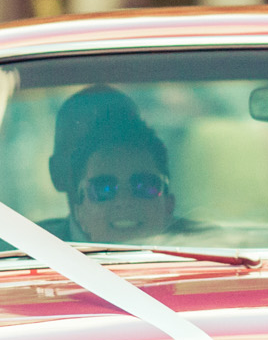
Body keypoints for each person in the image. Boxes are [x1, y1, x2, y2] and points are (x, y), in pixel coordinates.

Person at [46, 85, 178, 243]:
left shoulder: (205, 248)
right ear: (56, 172)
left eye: (144, 185)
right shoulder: (23, 250)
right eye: (103, 188)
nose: (124, 201)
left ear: (168, 205)